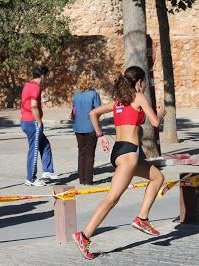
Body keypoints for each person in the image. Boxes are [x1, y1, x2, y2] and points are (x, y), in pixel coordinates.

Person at [73, 66, 166, 259]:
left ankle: (142, 218)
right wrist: (162, 112)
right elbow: (155, 123)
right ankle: (84, 235)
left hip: (118, 152)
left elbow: (93, 113)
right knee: (112, 198)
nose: (143, 86)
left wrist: (101, 136)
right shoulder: (139, 98)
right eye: (143, 83)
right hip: (129, 154)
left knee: (157, 177)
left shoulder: (118, 102)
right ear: (139, 82)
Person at [20, 65, 58, 187]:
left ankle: (47, 171)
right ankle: (30, 178)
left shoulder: (28, 84)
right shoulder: (35, 87)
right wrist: (39, 121)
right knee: (34, 149)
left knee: (45, 145)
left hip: (27, 121)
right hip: (32, 122)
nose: (47, 79)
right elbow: (33, 106)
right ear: (42, 76)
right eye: (47, 76)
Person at [71, 73, 102, 185]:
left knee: (81, 153)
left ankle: (81, 179)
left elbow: (73, 112)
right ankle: (88, 180)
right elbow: (98, 111)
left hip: (78, 127)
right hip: (91, 127)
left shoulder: (76, 96)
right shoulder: (94, 94)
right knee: (90, 154)